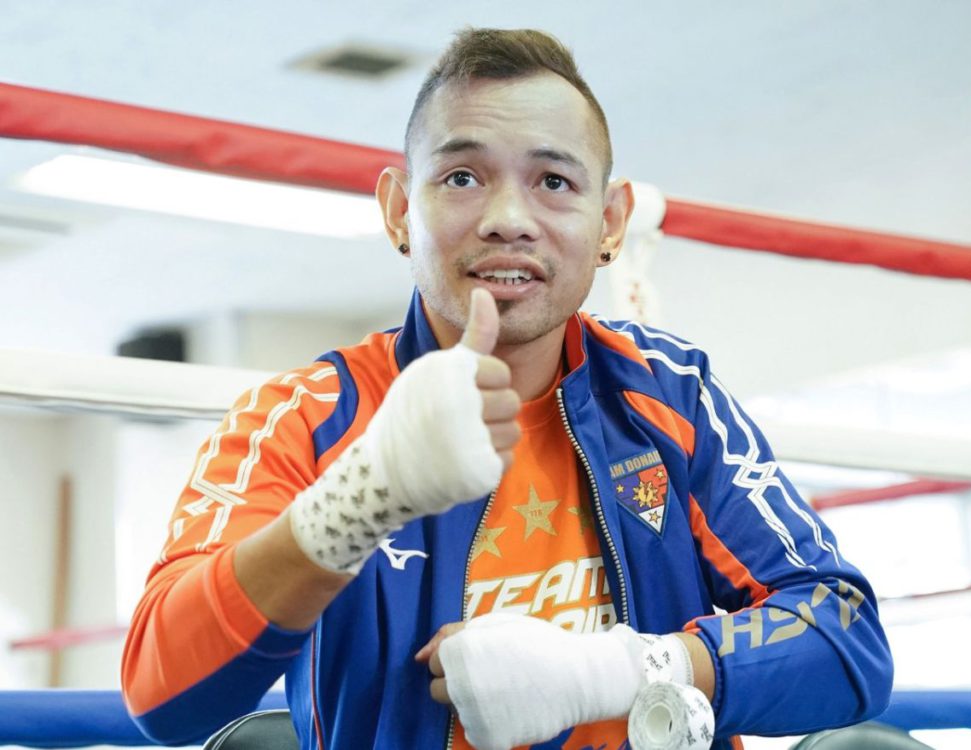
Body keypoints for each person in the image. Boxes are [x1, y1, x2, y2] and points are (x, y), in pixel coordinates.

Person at [121, 28, 893, 750]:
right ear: (399, 211)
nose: (508, 219)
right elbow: (162, 694)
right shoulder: (311, 418)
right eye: (462, 177)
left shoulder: (671, 393)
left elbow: (845, 635)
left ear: (610, 224)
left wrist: (619, 672)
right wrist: (356, 502)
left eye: (554, 181)